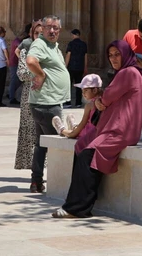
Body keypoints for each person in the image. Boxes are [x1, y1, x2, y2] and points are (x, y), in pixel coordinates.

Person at [52, 40, 142, 218]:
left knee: (88, 155)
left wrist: (99, 101)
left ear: (126, 55)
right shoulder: (129, 72)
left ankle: (78, 208)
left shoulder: (128, 73)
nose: (113, 58)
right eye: (110, 55)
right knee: (81, 146)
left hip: (121, 130)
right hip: (113, 127)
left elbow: (107, 96)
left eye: (117, 54)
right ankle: (76, 198)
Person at [25, 15, 70, 194]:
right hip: (47, 103)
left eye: (56, 28)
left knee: (41, 144)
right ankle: (59, 184)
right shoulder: (40, 44)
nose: (52, 31)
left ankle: (36, 182)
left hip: (46, 101)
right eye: (49, 27)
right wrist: (41, 75)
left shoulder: (53, 46)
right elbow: (30, 61)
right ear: (42, 28)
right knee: (56, 144)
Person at [13, 19, 43, 171]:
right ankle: (31, 166)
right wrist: (41, 73)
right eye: (35, 33)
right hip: (30, 95)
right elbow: (22, 73)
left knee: (46, 130)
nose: (38, 36)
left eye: (41, 33)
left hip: (47, 95)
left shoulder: (51, 50)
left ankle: (44, 166)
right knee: (29, 128)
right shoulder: (26, 49)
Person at [65, 29, 88, 107]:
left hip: (71, 67)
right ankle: (78, 102)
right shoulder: (84, 44)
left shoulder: (71, 44)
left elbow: (68, 55)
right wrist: (85, 67)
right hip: (80, 67)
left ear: (73, 35)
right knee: (79, 85)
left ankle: (68, 103)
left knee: (68, 85)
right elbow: (85, 56)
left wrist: (65, 66)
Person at [7, 23, 27, 105]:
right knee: (14, 81)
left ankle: (12, 94)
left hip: (16, 63)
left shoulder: (17, 41)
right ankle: (11, 97)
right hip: (14, 63)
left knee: (18, 81)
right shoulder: (17, 42)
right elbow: (19, 49)